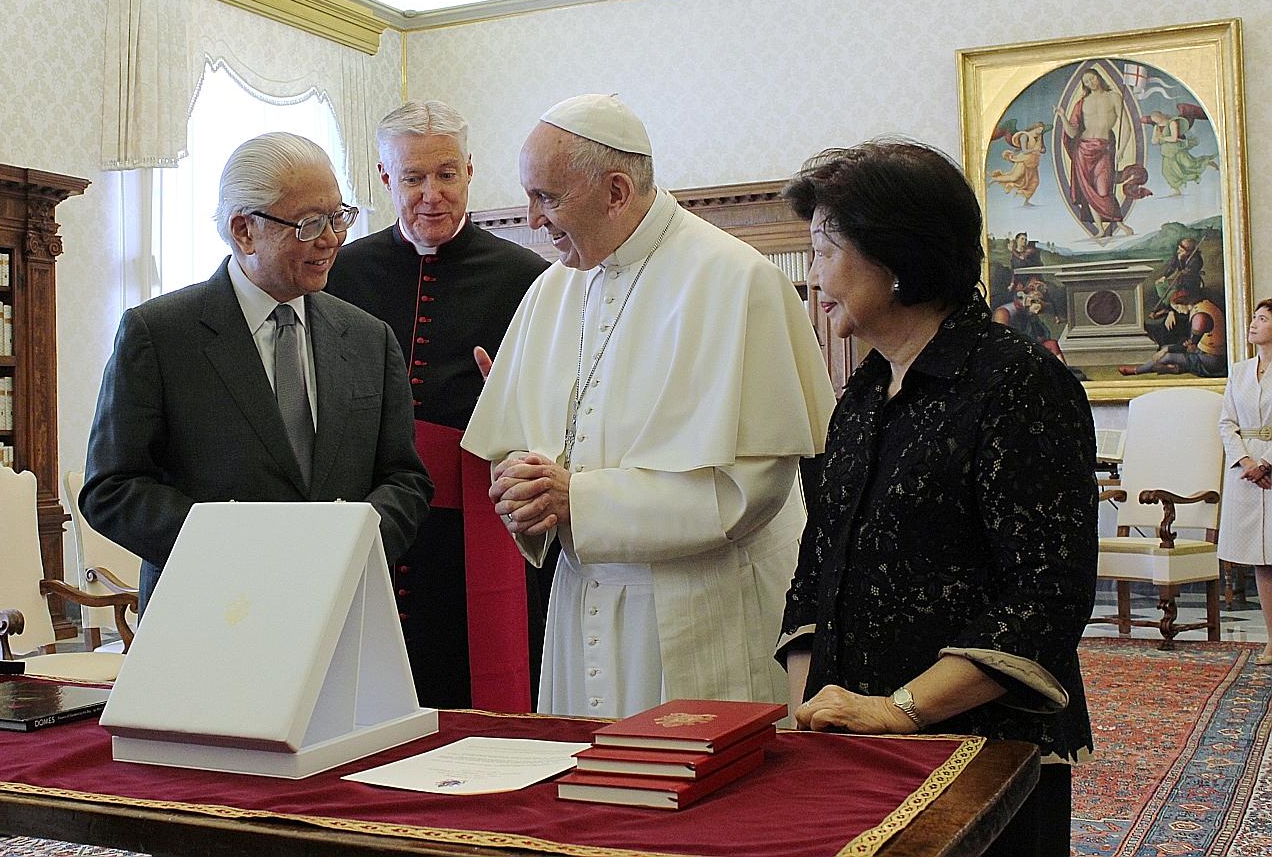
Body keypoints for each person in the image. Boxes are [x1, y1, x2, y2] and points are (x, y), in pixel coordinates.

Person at [462, 93, 836, 718]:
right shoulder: (551, 292)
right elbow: (521, 457)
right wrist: (523, 488)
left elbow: (751, 490)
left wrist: (578, 500)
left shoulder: (736, 281)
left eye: (547, 197)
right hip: (580, 600)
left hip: (699, 609)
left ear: (615, 191)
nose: (532, 219)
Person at [777, 140, 1096, 855]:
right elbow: (816, 570)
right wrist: (812, 714)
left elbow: (1046, 595)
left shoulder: (1017, 383)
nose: (814, 275)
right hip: (854, 748)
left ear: (896, 258)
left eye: (824, 250)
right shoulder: (862, 394)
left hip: (985, 757)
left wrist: (901, 710)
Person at [82, 132, 432, 614]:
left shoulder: (369, 338)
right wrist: (238, 545)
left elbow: (405, 479)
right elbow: (111, 489)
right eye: (310, 224)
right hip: (210, 612)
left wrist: (350, 543)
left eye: (338, 217)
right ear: (244, 230)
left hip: (342, 609)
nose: (331, 239)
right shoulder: (159, 335)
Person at [324, 101, 549, 712]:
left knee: (471, 680)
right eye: (414, 178)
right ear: (384, 177)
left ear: (469, 170)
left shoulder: (528, 278)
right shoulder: (341, 273)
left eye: (447, 174)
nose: (432, 194)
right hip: (370, 508)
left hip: (478, 517)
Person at [1219, 298, 1272, 665]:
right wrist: (1247, 462)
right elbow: (1226, 422)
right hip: (1245, 472)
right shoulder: (1239, 372)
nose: (1253, 323)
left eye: (1263, 319)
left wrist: (1267, 464)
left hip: (1269, 468)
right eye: (1254, 317)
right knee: (1261, 560)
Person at [1053, 66, 1143, 238]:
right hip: (1083, 149)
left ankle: (1119, 223)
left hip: (1104, 148)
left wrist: (1122, 149)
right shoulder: (1082, 103)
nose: (1091, 83)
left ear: (1099, 77)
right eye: (1086, 82)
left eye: (1092, 78)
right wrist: (1063, 116)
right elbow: (1072, 133)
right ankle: (1101, 229)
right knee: (1089, 191)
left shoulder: (1113, 97)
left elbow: (1127, 126)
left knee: (1103, 189)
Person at [1120, 286, 1227, 377]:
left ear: (1183, 302)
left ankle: (1136, 370)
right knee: (1165, 349)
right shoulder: (1202, 305)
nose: (1177, 311)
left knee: (1167, 356)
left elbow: (1190, 347)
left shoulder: (1200, 318)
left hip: (1210, 360)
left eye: (1176, 307)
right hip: (1204, 353)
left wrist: (1167, 350)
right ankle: (1174, 368)